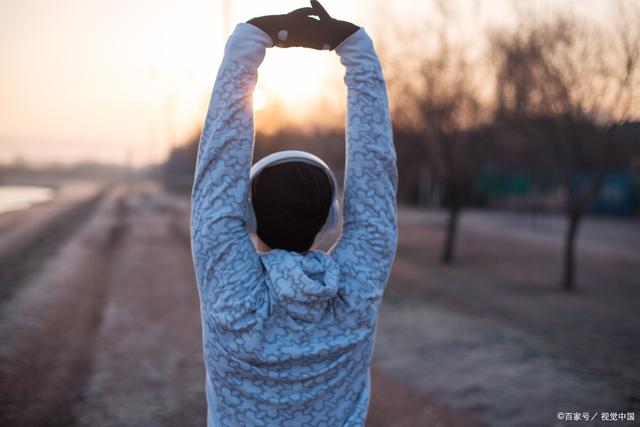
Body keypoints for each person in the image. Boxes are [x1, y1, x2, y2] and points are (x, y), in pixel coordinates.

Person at [190, 1, 397, 425]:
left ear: (244, 215)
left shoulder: (233, 298)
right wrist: (355, 48)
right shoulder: (352, 297)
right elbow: (377, 175)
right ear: (332, 220)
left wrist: (253, 37)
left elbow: (217, 166)